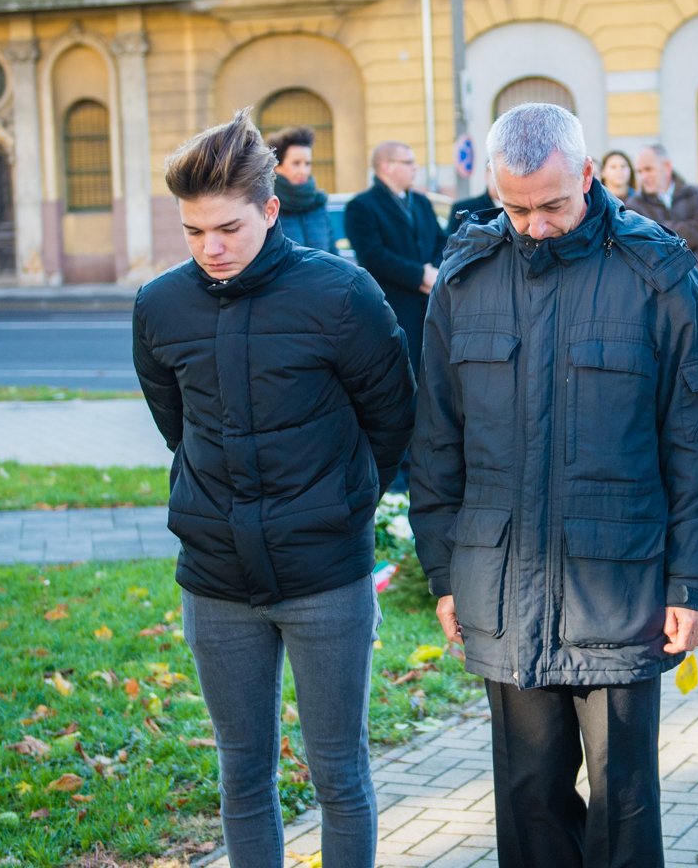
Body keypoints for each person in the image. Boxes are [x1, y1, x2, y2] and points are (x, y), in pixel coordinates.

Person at [411, 103, 698, 868]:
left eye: (554, 204)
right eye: (515, 207)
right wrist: (442, 571)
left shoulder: (656, 273)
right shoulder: (466, 277)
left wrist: (692, 583)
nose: (535, 224)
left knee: (623, 803)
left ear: (589, 176)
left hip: (622, 590)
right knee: (528, 798)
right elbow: (435, 440)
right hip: (499, 584)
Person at [133, 110, 415, 868]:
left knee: (339, 773)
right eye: (193, 232)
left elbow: (392, 419)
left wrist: (342, 505)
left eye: (226, 228)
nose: (210, 248)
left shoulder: (341, 295)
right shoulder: (159, 306)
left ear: (269, 209)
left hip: (326, 575)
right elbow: (178, 424)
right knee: (242, 774)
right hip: (216, 579)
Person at [344, 142, 448, 377]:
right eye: (409, 162)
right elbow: (373, 256)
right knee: (403, 377)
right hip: (393, 308)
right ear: (387, 166)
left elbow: (442, 240)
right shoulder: (361, 206)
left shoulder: (421, 202)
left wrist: (433, 268)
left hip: (430, 306)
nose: (416, 167)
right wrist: (420, 275)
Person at [631, 144, 698, 301]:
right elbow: (643, 244)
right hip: (661, 292)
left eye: (648, 169)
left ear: (666, 167)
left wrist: (661, 229)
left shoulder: (693, 194)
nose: (643, 177)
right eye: (639, 171)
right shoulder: (635, 205)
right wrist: (683, 236)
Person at [267, 126, 337, 253]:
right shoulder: (267, 206)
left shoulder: (318, 204)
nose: (303, 171)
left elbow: (334, 256)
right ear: (277, 166)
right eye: (296, 163)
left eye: (307, 163)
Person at [446, 167, 498, 237]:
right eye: (496, 174)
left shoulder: (517, 209)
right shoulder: (464, 209)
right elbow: (452, 245)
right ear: (486, 175)